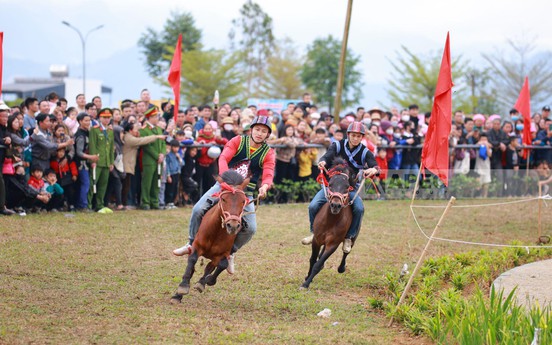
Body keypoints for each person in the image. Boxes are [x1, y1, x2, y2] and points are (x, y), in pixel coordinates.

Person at [172, 115, 276, 274]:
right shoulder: (237, 141)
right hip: (223, 186)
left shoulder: (268, 152)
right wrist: (224, 179)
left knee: (251, 229)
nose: (259, 133)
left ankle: (230, 253)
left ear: (267, 135)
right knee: (198, 209)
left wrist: (265, 186)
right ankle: (191, 243)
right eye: (257, 129)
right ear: (251, 129)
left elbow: (268, 172)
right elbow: (223, 158)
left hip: (245, 192)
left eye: (264, 131)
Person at [301, 121, 380, 253]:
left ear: (362, 138)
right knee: (313, 206)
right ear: (348, 135)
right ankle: (314, 232)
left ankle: (349, 237)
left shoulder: (366, 152)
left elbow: (375, 165)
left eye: (359, 136)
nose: (355, 138)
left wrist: (373, 170)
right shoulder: (337, 145)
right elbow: (327, 156)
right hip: (332, 186)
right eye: (353, 135)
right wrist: (323, 161)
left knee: (359, 209)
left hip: (350, 188)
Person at [87, 108, 115, 211]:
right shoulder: (95, 129)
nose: (107, 120)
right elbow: (93, 146)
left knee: (103, 185)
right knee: (92, 183)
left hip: (106, 161)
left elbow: (111, 148)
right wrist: (93, 161)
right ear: (100, 117)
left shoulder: (110, 131)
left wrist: (111, 162)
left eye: (108, 117)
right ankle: (89, 204)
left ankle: (99, 204)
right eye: (105, 117)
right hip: (97, 161)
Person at [139, 106, 166, 210]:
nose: (157, 118)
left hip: (159, 160)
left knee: (157, 182)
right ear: (149, 118)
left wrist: (162, 154)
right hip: (149, 160)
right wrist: (157, 155)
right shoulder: (144, 130)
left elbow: (163, 143)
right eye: (155, 116)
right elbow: (146, 146)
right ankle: (145, 202)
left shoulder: (158, 129)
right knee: (147, 182)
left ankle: (155, 201)